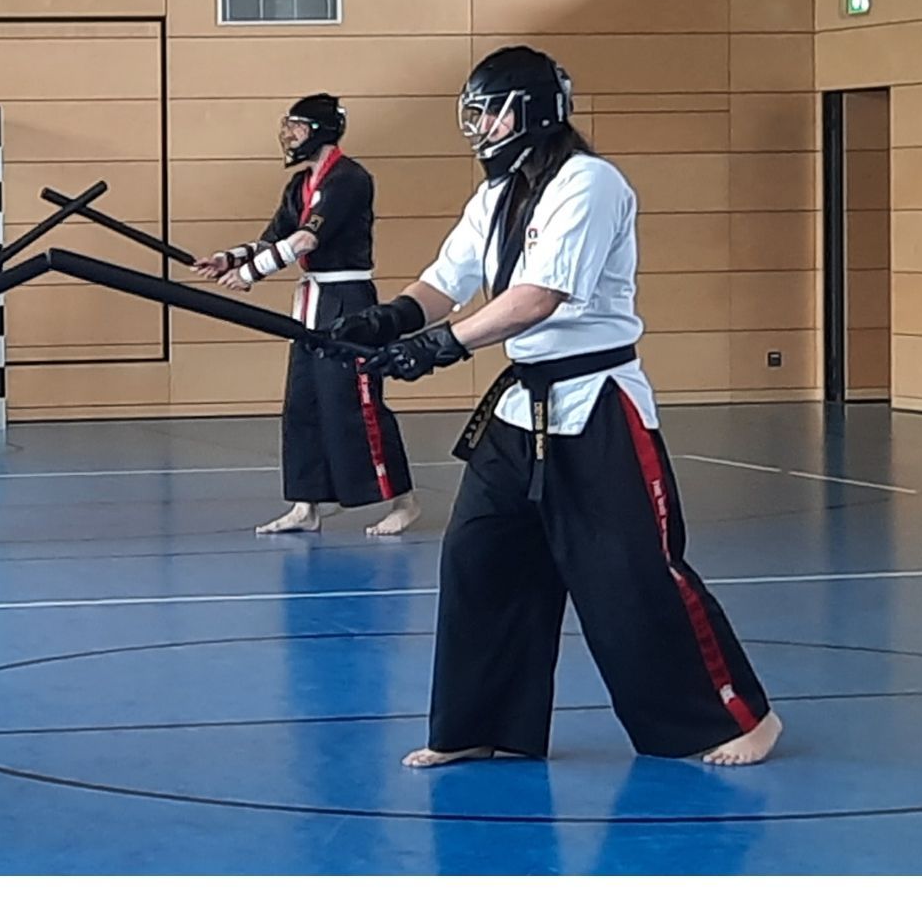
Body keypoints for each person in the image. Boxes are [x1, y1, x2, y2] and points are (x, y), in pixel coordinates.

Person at [316, 49, 780, 772]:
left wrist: (439, 347)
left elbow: (538, 297)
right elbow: (446, 280)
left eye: (488, 113)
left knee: (630, 573)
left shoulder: (588, 183)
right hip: (519, 411)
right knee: (480, 558)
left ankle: (739, 716)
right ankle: (482, 725)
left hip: (598, 405)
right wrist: (385, 321)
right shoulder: (497, 195)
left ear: (529, 111)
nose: (478, 128)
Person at [197, 92, 417, 537]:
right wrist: (229, 258)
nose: (290, 136)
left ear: (320, 131)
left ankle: (404, 500)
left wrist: (251, 274)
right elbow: (274, 238)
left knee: (355, 402)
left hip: (348, 301)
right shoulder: (300, 184)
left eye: (298, 127)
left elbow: (305, 240)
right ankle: (305, 505)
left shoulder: (349, 178)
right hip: (311, 303)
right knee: (304, 405)